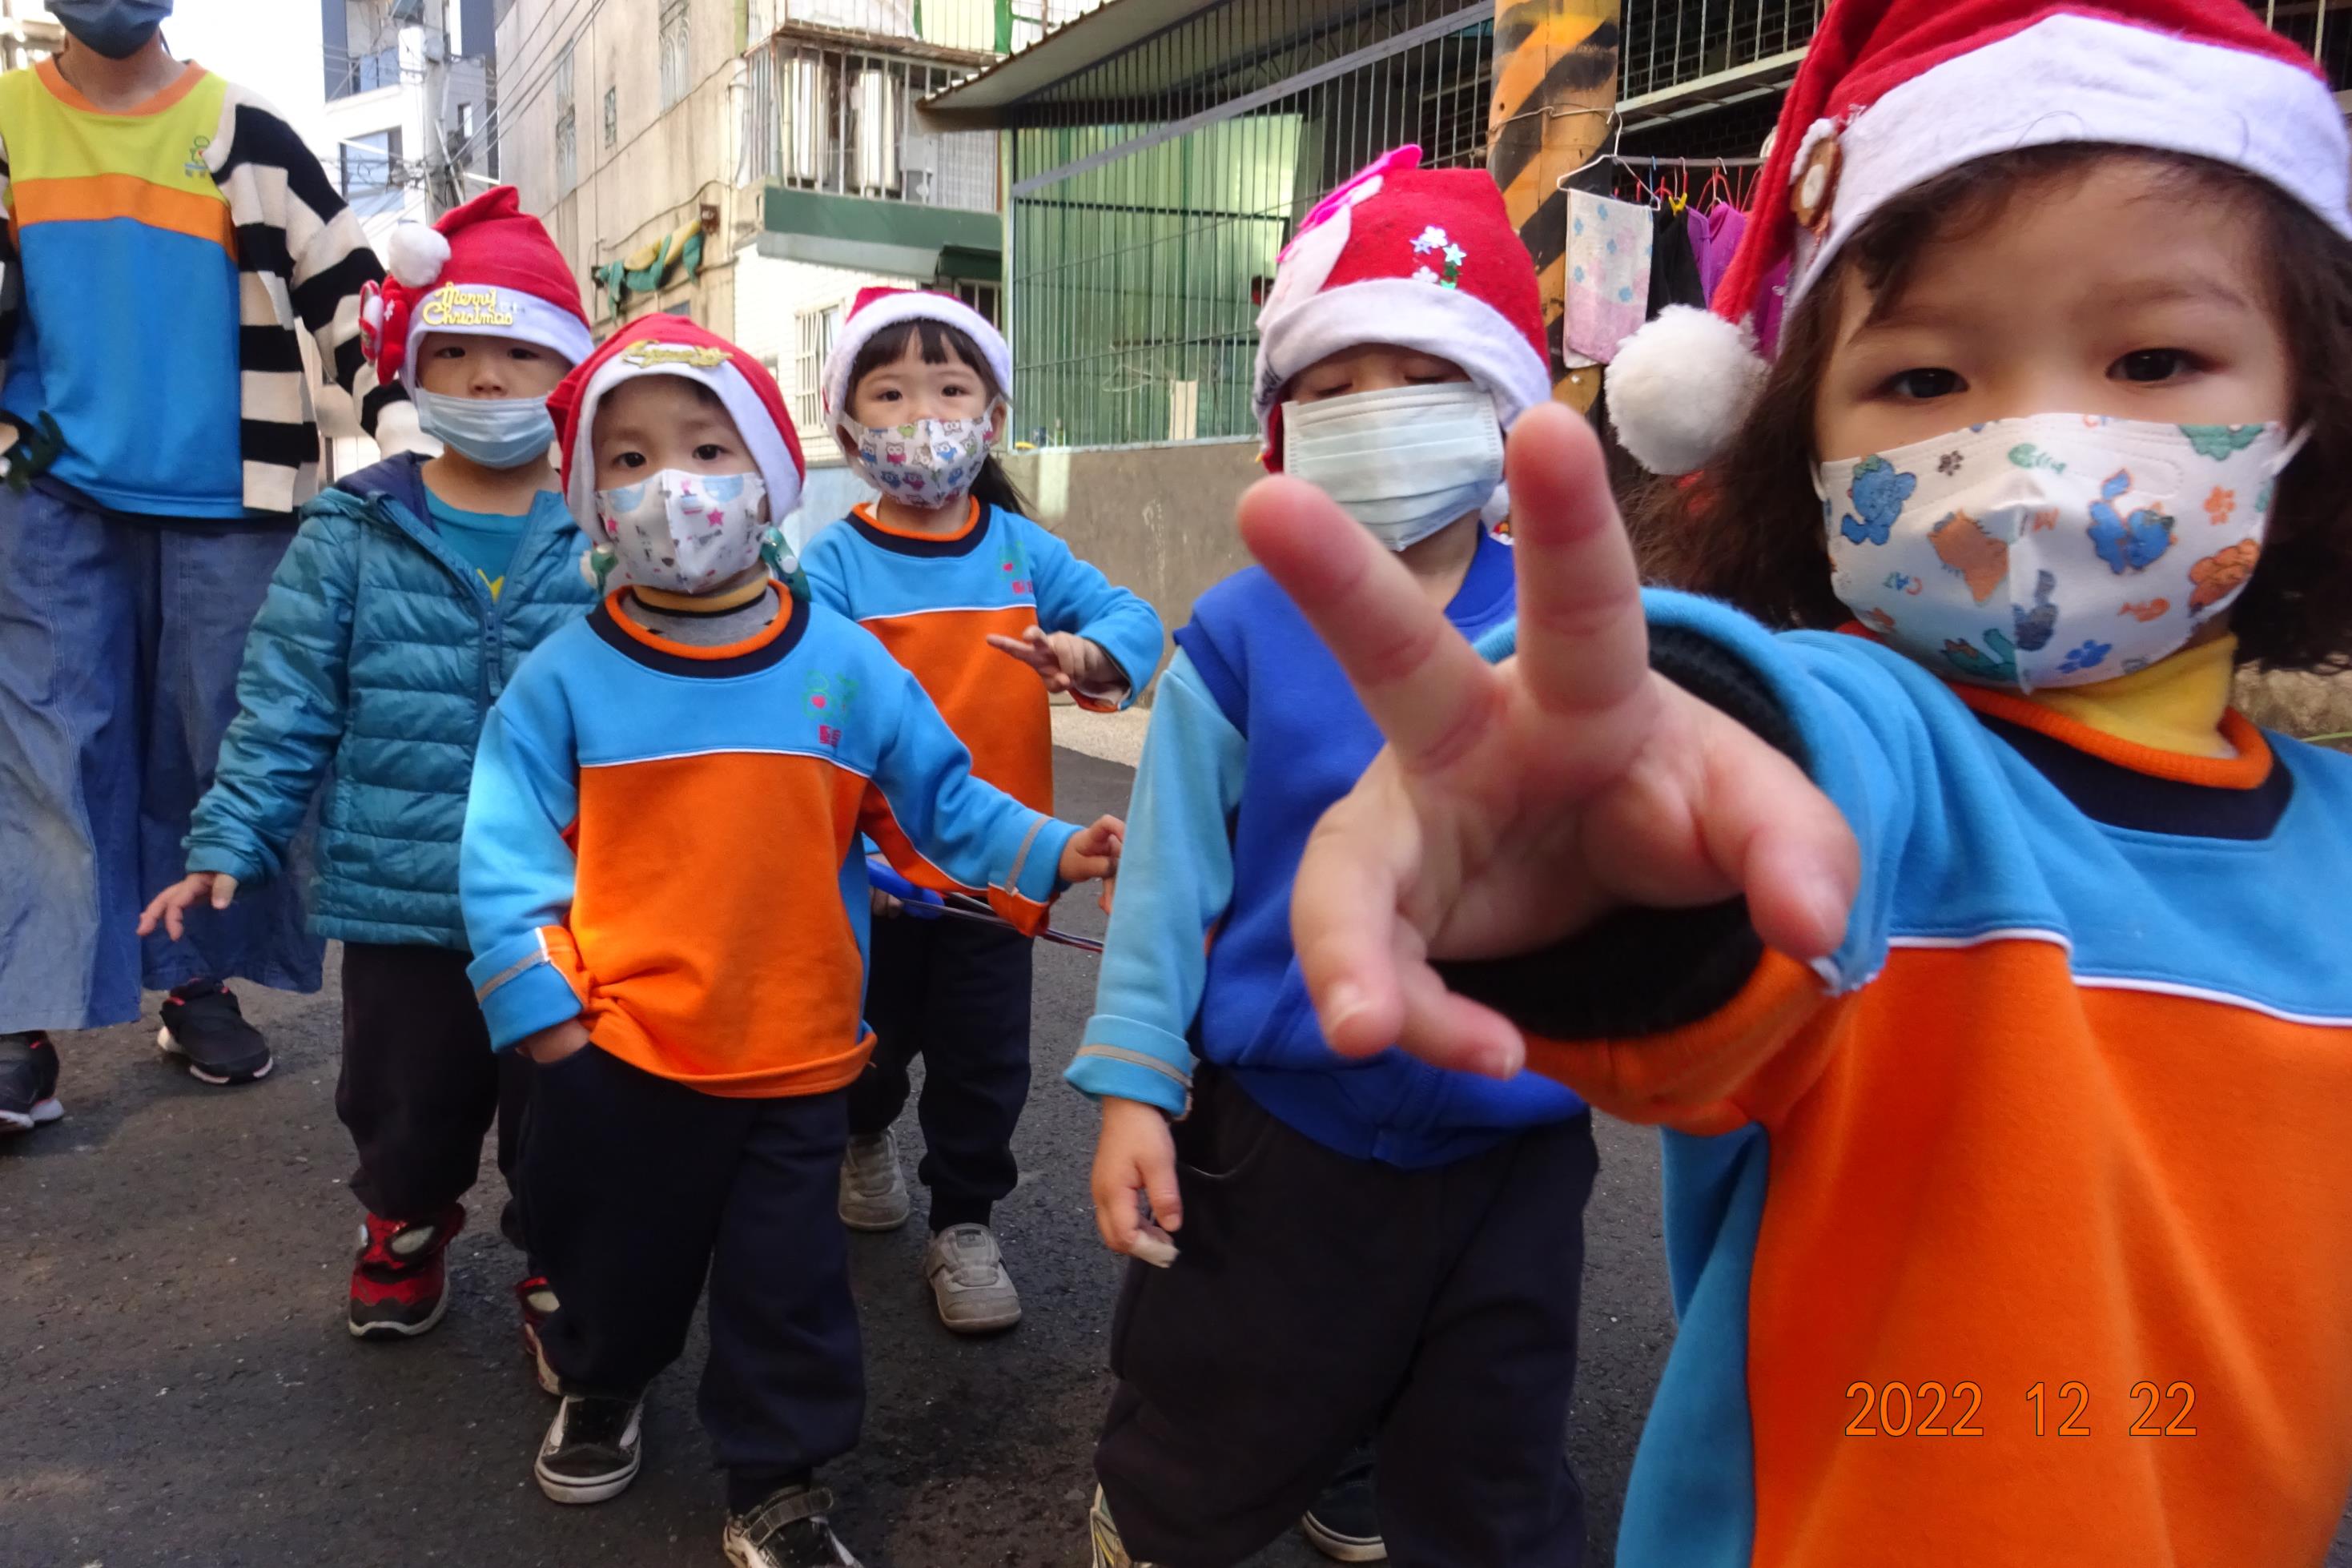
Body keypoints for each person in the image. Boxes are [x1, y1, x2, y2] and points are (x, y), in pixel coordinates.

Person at [1240, 2, 2352, 1562]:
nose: (2029, 448)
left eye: (2151, 358)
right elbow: (1757, 768)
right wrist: (1614, 828)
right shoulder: (1871, 747)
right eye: (1923, 379)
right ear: (1797, 450)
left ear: (2311, 409)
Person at [460, 314, 1124, 1568]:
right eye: (630, 457)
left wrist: (1053, 849)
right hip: (622, 1050)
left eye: (708, 449)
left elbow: (943, 799)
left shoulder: (842, 663)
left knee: (789, 1286)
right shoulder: (560, 677)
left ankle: (777, 1479)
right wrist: (542, 1015)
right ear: (588, 496)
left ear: (770, 478)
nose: (673, 486)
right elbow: (504, 859)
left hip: (801, 1050)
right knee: (618, 1259)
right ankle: (602, 1380)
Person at [1075, 149, 1596, 1568]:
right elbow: (1168, 882)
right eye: (1332, 384)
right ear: (1280, 426)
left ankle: (1377, 1476)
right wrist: (1133, 1089)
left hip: (1517, 1139)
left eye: (1420, 378)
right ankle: (1153, 1522)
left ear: (1503, 410)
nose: (1374, 412)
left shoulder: (1576, 624)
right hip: (1282, 1130)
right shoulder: (1240, 632)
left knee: (1491, 1450)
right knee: (1216, 1402)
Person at [138, 188, 596, 1347]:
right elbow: (285, 700)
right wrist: (233, 837)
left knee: (569, 1103)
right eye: (453, 353)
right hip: (405, 896)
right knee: (405, 1101)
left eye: (521, 353)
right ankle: (403, 1223)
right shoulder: (353, 528)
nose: (486, 380)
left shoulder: (611, 531)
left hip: (577, 896)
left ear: (571, 370)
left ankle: (560, 1257)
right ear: (408, 367)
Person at [0, 0, 423, 1130]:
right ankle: (21, 1015)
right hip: (48, 490)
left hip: (235, 499)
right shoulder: (7, 126)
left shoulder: (249, 133)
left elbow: (352, 298)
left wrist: (407, 428)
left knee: (226, 745)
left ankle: (195, 981)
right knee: (45, 752)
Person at [800, 288, 1164, 1333]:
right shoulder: (830, 564)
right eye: (891, 393)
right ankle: (862, 1135)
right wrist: (855, 852)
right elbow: (811, 716)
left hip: (1004, 869)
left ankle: (964, 1223)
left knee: (984, 1066)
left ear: (993, 417)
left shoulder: (1019, 550)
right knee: (868, 1054)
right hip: (876, 882)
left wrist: (1088, 654)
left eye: (950, 389)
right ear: (851, 431)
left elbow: (1132, 617)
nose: (923, 415)